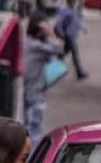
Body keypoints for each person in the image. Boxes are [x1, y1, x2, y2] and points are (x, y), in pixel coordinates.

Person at [24, 10, 64, 148]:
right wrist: (49, 34)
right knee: (33, 129)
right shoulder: (36, 46)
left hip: (28, 90)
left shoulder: (28, 42)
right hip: (34, 92)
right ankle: (31, 160)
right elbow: (59, 48)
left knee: (27, 126)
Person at [55, 0, 89, 81]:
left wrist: (84, 28)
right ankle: (79, 73)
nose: (74, 2)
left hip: (71, 35)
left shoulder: (73, 10)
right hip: (67, 35)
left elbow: (77, 21)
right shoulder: (64, 10)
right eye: (73, 1)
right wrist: (61, 33)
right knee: (74, 53)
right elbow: (59, 22)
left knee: (63, 52)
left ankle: (55, 69)